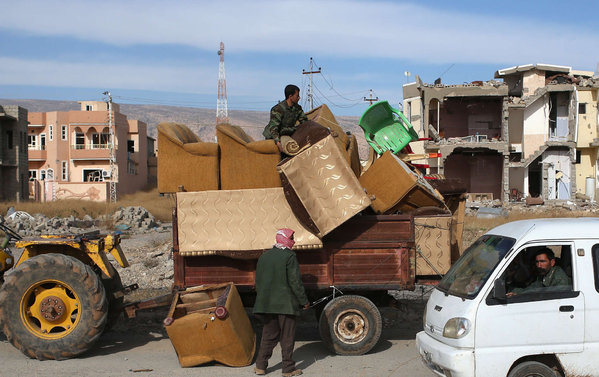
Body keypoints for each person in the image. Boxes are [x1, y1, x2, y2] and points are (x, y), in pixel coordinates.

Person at [253, 228, 309, 377]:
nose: (293, 240)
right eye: (292, 237)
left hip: (267, 305)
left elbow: (258, 282)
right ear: (285, 239)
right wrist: (304, 301)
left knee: (268, 335)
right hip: (286, 305)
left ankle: (260, 366)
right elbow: (295, 282)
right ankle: (288, 369)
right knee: (287, 337)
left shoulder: (264, 257)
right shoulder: (289, 256)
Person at [263, 84, 308, 153]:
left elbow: (304, 122)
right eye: (297, 96)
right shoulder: (278, 109)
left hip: (286, 136)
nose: (299, 97)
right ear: (290, 96)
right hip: (274, 137)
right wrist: (278, 142)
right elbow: (274, 128)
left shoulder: (297, 108)